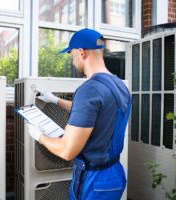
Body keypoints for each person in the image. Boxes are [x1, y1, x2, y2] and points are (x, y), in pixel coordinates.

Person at [28, 28, 131, 200]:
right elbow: (93, 112)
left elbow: (67, 151)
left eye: (72, 55)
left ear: (81, 52)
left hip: (93, 181)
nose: (73, 61)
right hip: (114, 175)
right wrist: (55, 100)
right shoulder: (119, 85)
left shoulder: (89, 89)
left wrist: (39, 136)